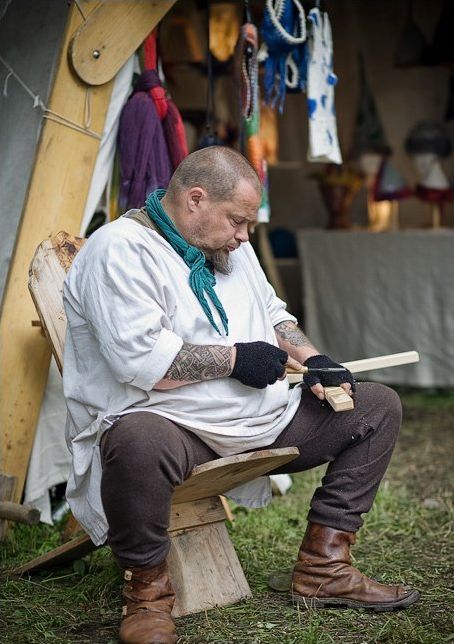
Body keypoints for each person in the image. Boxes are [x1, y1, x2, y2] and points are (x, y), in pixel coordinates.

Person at [63, 146, 419, 644]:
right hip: (178, 427)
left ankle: (323, 568)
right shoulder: (119, 250)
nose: (243, 236)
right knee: (135, 439)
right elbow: (143, 363)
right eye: (237, 221)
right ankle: (146, 594)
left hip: (263, 419)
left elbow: (274, 315)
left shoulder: (227, 244)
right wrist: (235, 358)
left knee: (378, 406)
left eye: (248, 224)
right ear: (194, 199)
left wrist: (314, 359)